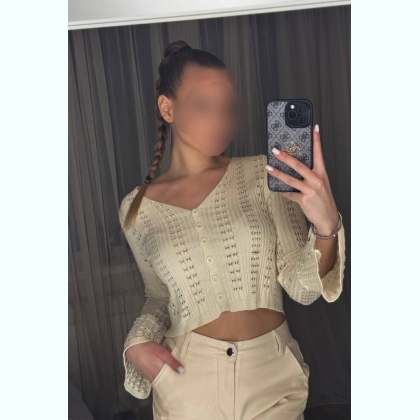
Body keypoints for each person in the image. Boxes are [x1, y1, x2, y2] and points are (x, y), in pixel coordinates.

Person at [118, 40, 346, 420]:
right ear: (167, 108)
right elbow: (159, 297)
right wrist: (136, 343)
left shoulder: (262, 175)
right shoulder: (137, 208)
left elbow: (303, 290)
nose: (221, 119)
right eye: (203, 104)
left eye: (227, 106)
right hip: (186, 381)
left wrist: (325, 226)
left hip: (271, 378)